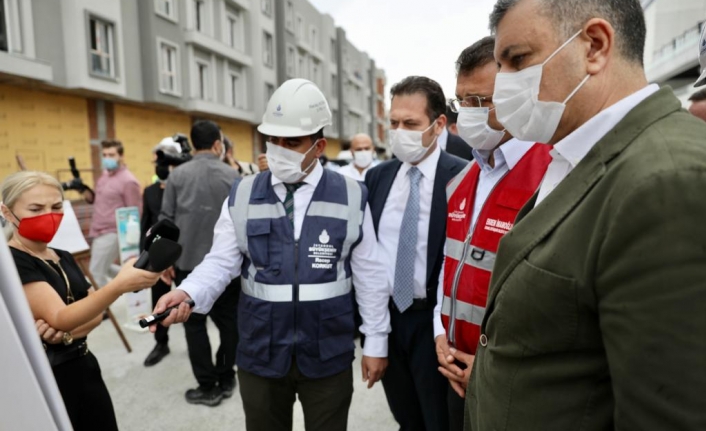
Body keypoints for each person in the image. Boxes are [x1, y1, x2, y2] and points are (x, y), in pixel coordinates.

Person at [466, 1, 706, 430]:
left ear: (594, 46)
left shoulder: (665, 180)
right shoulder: (576, 154)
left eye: (518, 60)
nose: (503, 85)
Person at [152, 78, 390, 431]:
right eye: (273, 140)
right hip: (261, 353)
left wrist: (376, 341)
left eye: (291, 142)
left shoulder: (352, 195)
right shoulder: (243, 193)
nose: (278, 149)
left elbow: (370, 275)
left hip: (327, 353)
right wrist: (189, 292)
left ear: (319, 145)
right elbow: (221, 261)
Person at [433, 36, 552, 431]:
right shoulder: (463, 178)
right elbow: (450, 265)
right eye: (460, 101)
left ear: (516, 97)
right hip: (453, 369)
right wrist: (439, 330)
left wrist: (491, 369)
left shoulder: (551, 174)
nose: (466, 113)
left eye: (480, 102)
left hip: (509, 384)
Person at [1, 171, 160, 431]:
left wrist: (65, 333)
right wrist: (119, 285)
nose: (48, 215)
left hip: (84, 365)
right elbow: (61, 317)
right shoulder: (12, 261)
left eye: (55, 206)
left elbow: (95, 314)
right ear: (7, 212)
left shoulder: (62, 255)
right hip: (49, 376)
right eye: (35, 208)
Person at [365, 76, 467, 431]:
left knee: (439, 419)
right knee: (405, 416)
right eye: (393, 123)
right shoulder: (378, 178)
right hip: (389, 320)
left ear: (439, 125)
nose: (399, 131)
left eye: (410, 124)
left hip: (434, 326)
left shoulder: (462, 177)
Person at [160, 120, 241, 406]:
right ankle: (227, 375)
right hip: (228, 267)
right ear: (218, 143)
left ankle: (208, 386)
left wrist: (163, 261)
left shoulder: (176, 176)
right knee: (230, 324)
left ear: (193, 144)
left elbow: (166, 222)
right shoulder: (233, 175)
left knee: (194, 327)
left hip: (188, 264)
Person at [142, 138, 181, 367]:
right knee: (158, 301)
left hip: (186, 255)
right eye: (157, 158)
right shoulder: (149, 191)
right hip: (158, 258)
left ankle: (198, 343)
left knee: (191, 303)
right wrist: (145, 258)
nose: (160, 163)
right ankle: (160, 342)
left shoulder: (186, 187)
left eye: (164, 158)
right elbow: (146, 225)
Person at [87, 140, 142, 288]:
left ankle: (101, 309)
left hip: (112, 232)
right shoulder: (104, 176)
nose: (107, 158)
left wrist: (130, 240)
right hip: (97, 230)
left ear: (121, 156)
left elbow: (135, 212)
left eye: (111, 154)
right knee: (103, 267)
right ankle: (135, 279)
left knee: (94, 273)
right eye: (104, 155)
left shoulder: (128, 181)